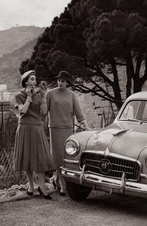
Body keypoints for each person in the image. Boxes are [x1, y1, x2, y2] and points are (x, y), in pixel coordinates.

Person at [45, 70, 90, 196]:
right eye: (59, 80)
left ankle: (58, 179)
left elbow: (79, 112)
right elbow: (43, 111)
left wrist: (85, 126)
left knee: (66, 156)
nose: (60, 83)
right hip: (55, 128)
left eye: (63, 81)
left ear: (67, 83)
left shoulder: (72, 95)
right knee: (57, 156)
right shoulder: (50, 93)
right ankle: (63, 183)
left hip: (68, 129)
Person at [13, 70, 54, 199]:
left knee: (41, 157)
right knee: (27, 158)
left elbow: (44, 112)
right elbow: (22, 111)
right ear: (25, 82)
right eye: (32, 79)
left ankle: (42, 186)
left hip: (37, 127)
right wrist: (29, 97)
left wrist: (43, 97)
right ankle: (30, 186)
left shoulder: (39, 94)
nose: (34, 81)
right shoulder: (18, 95)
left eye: (35, 79)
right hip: (24, 127)